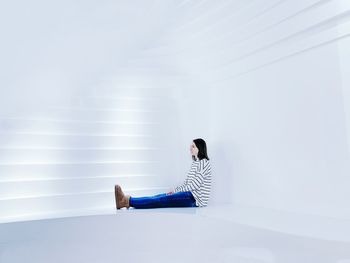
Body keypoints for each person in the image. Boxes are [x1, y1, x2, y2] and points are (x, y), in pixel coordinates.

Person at [114, 138, 212, 209]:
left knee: (160, 200)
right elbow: (187, 183)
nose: (190, 148)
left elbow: (194, 185)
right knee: (159, 196)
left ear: (199, 148)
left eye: (193, 146)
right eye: (191, 146)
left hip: (195, 199)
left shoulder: (204, 163)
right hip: (189, 194)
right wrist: (175, 190)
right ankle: (126, 201)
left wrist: (176, 191)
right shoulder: (196, 163)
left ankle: (126, 201)